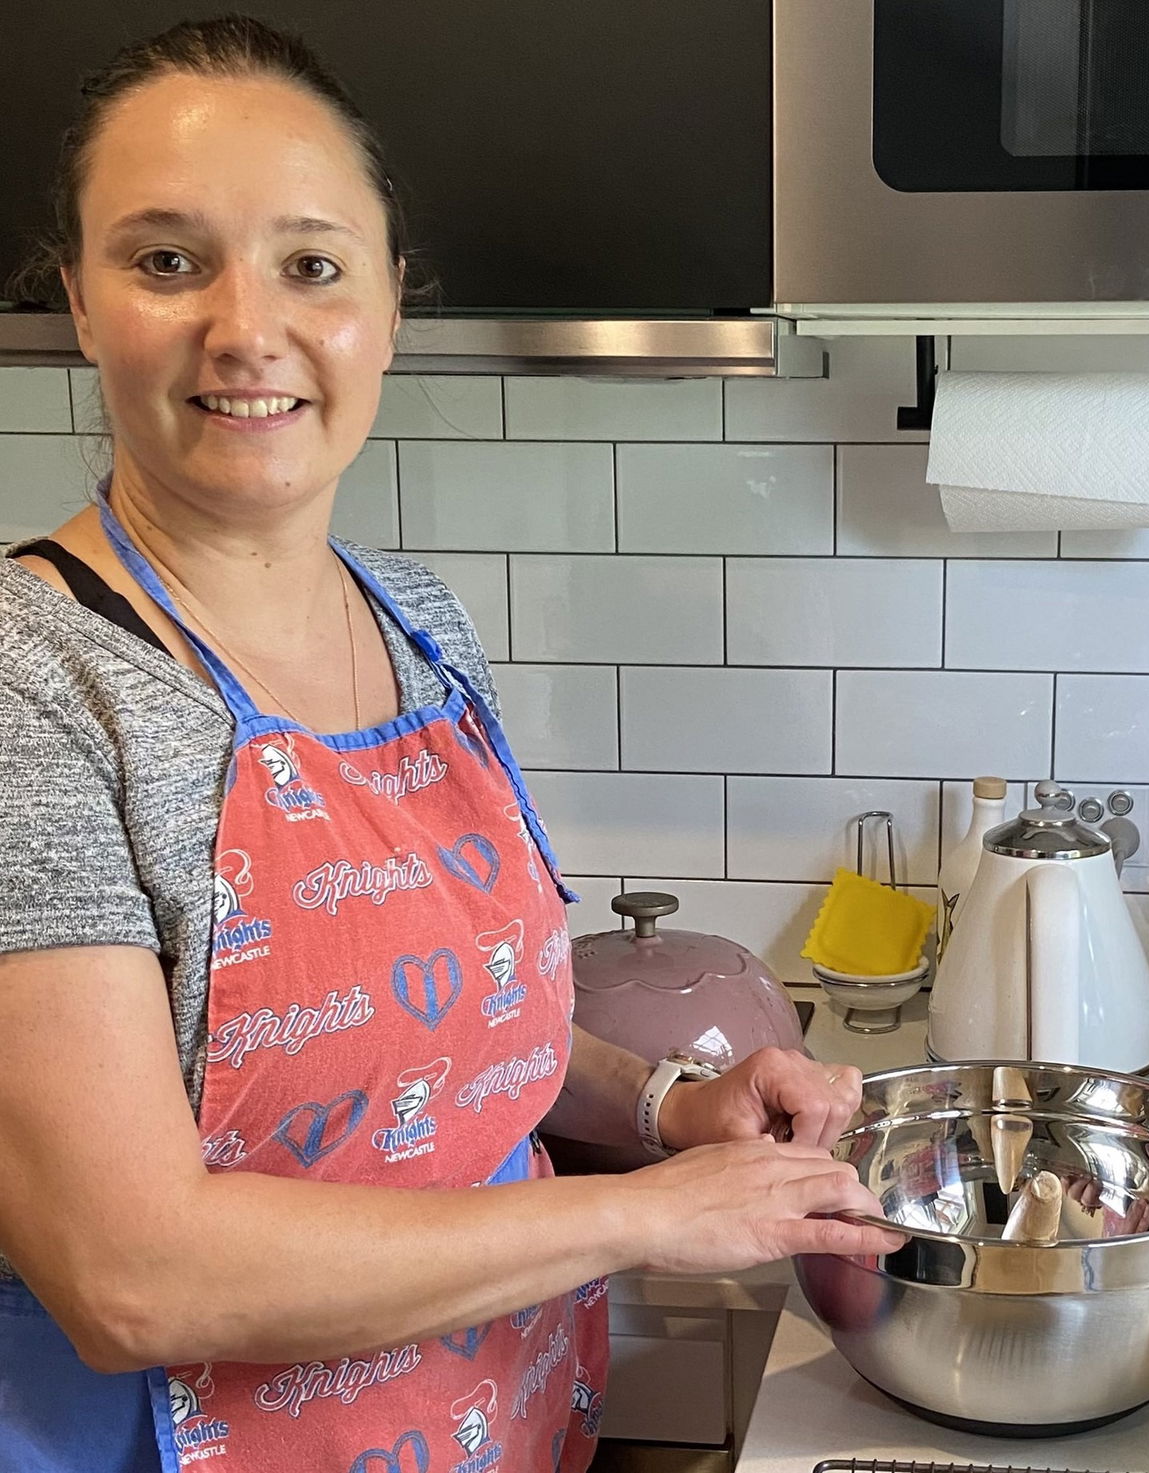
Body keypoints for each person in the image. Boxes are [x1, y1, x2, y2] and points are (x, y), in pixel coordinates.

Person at [0, 17, 902, 1473]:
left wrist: (674, 1109)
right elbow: (133, 1274)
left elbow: (460, 1036)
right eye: (167, 260)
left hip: (516, 1427)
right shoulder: (33, 683)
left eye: (311, 263)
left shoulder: (417, 624)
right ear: (82, 302)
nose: (247, 327)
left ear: (389, 305)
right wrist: (650, 1212)